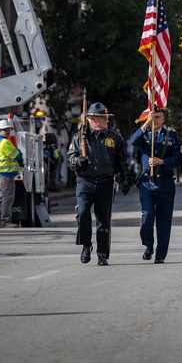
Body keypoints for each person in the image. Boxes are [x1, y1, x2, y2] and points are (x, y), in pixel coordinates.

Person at [67, 102, 132, 266]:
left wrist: (126, 178)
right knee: (82, 213)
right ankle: (86, 245)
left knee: (104, 221)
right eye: (103, 117)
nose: (106, 120)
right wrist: (78, 161)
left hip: (105, 182)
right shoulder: (79, 137)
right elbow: (70, 159)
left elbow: (122, 161)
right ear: (92, 119)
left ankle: (102, 254)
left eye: (106, 117)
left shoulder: (114, 138)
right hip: (85, 182)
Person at [128, 108, 182, 264]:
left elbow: (179, 158)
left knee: (164, 221)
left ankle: (160, 254)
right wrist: (146, 124)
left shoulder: (171, 136)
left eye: (158, 117)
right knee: (147, 215)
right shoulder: (144, 135)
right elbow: (133, 142)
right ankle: (148, 244)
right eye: (153, 117)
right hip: (146, 182)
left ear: (163, 119)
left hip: (164, 181)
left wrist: (163, 162)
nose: (155, 120)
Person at [0, 119, 22, 228]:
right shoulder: (5, 142)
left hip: (1, 173)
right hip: (6, 173)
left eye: (8, 129)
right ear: (0, 130)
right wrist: (19, 152)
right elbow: (16, 155)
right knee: (7, 197)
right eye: (6, 130)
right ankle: (5, 221)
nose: (8, 132)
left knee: (1, 197)